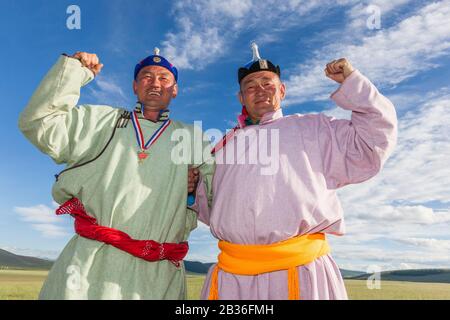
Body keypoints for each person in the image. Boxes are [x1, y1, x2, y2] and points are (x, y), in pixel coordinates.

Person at [191, 43, 398, 300]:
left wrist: (355, 85)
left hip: (302, 272)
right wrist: (194, 189)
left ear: (282, 90)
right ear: (241, 98)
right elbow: (212, 208)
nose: (260, 90)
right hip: (233, 277)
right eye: (251, 86)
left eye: (268, 83)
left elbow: (372, 142)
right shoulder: (222, 147)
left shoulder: (315, 128)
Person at [18, 48, 212, 299]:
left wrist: (190, 193)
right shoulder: (101, 121)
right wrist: (74, 73)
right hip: (90, 268)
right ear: (134, 86)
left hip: (159, 275)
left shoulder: (193, 138)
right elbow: (38, 123)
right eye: (146, 76)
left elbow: (219, 194)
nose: (155, 83)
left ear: (174, 89)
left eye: (164, 78)